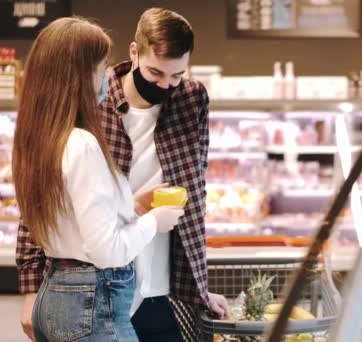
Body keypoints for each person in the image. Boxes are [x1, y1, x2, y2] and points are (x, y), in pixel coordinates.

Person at [17, 8, 229, 342]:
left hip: (159, 281)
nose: (165, 85)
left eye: (176, 76)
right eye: (156, 72)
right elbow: (43, 200)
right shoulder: (87, 117)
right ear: (134, 52)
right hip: (103, 280)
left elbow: (195, 193)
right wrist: (30, 286)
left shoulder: (191, 100)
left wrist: (198, 289)